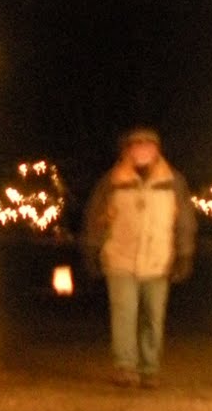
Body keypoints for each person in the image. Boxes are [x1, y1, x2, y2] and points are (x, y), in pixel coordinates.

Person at [80, 127, 196, 388]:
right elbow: (96, 218)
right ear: (127, 151)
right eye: (136, 145)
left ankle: (149, 368)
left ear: (157, 150)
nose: (142, 149)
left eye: (148, 145)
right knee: (124, 315)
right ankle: (125, 367)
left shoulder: (173, 182)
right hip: (121, 258)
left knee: (153, 317)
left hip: (159, 259)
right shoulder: (112, 182)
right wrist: (91, 249)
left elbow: (185, 220)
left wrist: (184, 253)